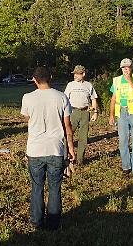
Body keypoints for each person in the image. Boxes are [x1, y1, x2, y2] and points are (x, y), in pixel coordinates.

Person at [20, 66, 75, 230]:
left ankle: (36, 222)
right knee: (55, 187)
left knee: (37, 187)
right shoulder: (62, 97)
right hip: (56, 150)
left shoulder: (27, 98)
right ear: (50, 77)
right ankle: (53, 224)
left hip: (35, 150)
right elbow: (67, 126)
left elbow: (27, 118)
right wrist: (70, 148)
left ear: (34, 80)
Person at [109, 58, 133, 176]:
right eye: (123, 67)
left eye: (128, 67)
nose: (125, 69)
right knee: (123, 141)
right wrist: (111, 115)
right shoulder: (116, 80)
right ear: (121, 68)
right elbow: (114, 98)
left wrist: (130, 81)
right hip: (121, 113)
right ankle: (126, 166)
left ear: (132, 67)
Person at [63, 65, 98, 165]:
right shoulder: (70, 85)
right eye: (74, 74)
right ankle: (66, 157)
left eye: (77, 74)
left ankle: (80, 160)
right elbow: (65, 99)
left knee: (83, 138)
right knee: (68, 135)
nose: (75, 76)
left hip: (85, 112)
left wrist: (95, 112)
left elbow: (94, 99)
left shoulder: (88, 85)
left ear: (83, 74)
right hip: (73, 112)